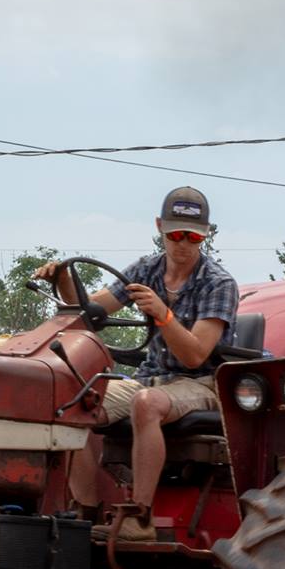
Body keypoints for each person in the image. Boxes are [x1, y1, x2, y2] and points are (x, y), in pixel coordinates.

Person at [33, 186, 237, 541]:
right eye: (175, 234)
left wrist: (162, 313)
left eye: (193, 236)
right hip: (151, 378)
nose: (183, 244)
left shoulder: (218, 284)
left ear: (206, 235)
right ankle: (87, 511)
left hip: (200, 383)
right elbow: (89, 310)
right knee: (72, 398)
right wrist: (64, 280)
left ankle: (139, 517)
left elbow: (195, 355)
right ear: (160, 227)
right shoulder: (145, 270)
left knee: (147, 404)